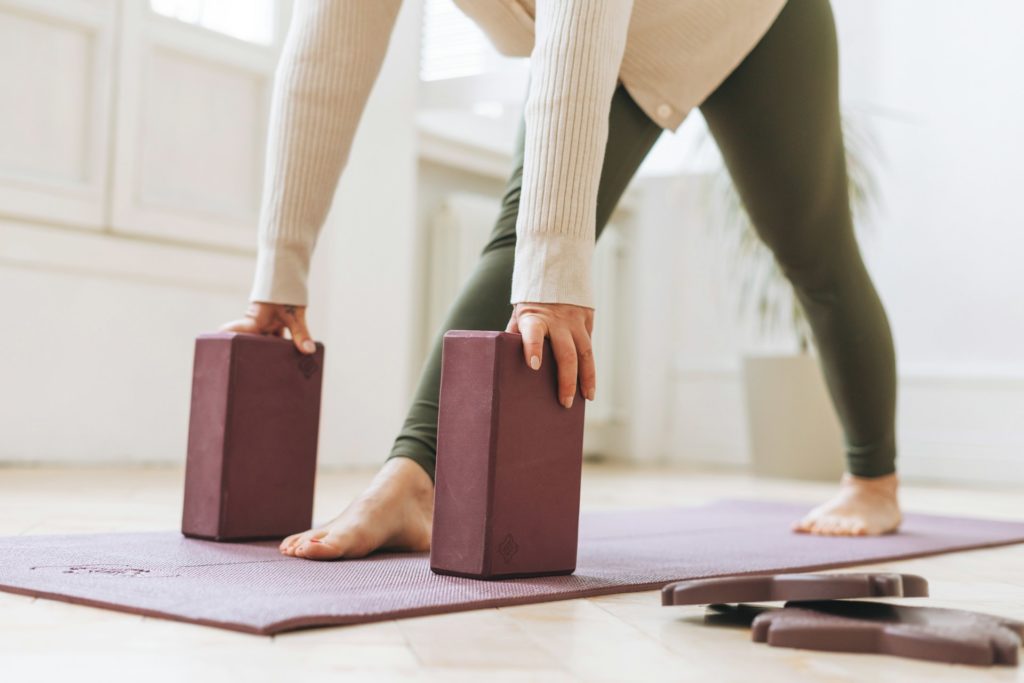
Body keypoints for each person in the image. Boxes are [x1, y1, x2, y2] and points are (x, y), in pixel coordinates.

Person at [221, 0, 902, 561]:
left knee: (818, 257)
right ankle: (415, 478)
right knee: (522, 237)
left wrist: (554, 274)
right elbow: (325, 57)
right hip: (611, 25)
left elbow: (583, 21)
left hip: (749, 17)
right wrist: (280, 272)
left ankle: (873, 480)